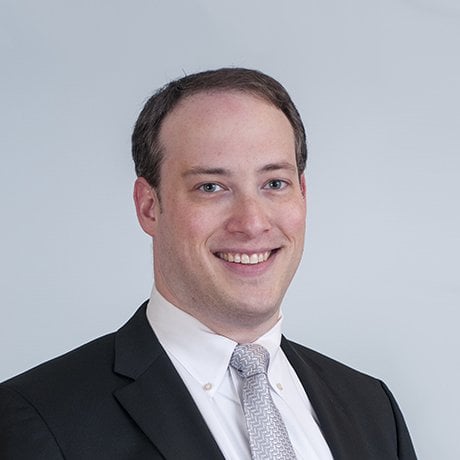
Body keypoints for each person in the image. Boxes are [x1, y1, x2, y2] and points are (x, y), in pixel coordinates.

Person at [0, 68, 417, 459]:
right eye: (211, 187)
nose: (252, 222)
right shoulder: (38, 419)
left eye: (274, 183)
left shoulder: (372, 408)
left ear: (303, 195)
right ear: (149, 207)